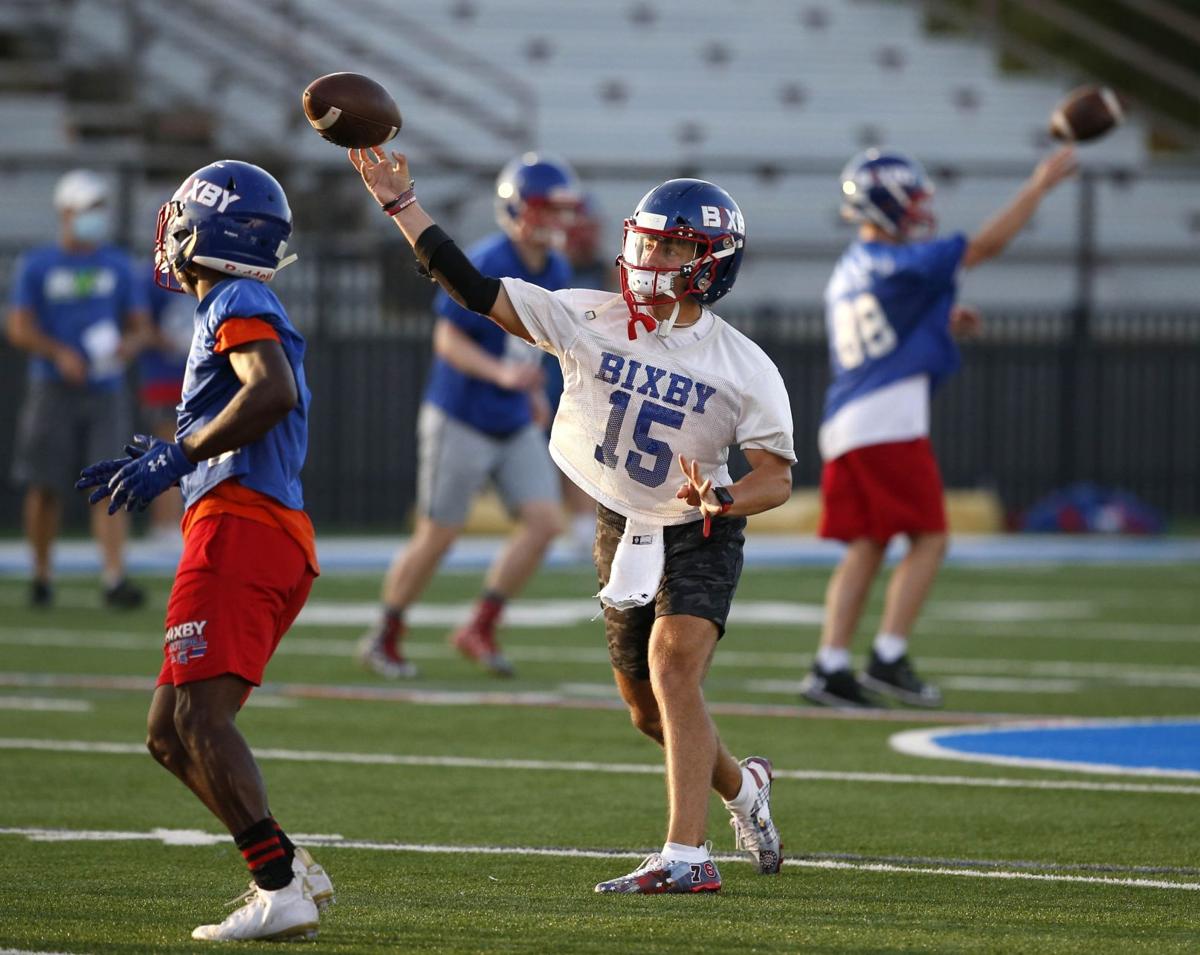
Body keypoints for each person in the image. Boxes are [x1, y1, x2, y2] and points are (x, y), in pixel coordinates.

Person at [350, 145, 795, 894]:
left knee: (673, 664)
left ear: (711, 260)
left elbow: (777, 478)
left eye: (673, 245)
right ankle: (744, 788)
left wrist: (723, 497)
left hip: (701, 526)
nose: (651, 256)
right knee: (649, 713)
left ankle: (687, 856)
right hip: (622, 524)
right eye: (648, 240)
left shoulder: (744, 364)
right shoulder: (589, 314)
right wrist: (403, 206)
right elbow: (473, 289)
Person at [77, 160, 333, 941]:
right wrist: (174, 455)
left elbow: (271, 389)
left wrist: (180, 453)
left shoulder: (236, 296)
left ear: (205, 228)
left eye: (181, 215)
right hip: (247, 524)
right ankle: (287, 862)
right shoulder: (233, 299)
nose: (169, 229)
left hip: (243, 524)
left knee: (198, 716)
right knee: (167, 730)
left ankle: (278, 884)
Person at [800, 145, 1078, 709]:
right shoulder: (902, 263)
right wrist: (1037, 187)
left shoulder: (852, 267)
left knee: (870, 545)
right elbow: (984, 246)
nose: (921, 212)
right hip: (887, 419)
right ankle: (888, 655)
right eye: (912, 202)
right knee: (931, 537)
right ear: (884, 205)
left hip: (849, 418)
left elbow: (886, 324)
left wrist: (938, 322)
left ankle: (830, 665)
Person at [356, 153, 580, 679]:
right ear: (519, 208)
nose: (558, 221)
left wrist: (532, 394)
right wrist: (502, 378)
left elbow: (533, 343)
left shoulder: (558, 267)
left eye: (562, 210)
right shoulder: (485, 257)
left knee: (546, 523)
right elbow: (448, 339)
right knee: (440, 532)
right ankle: (384, 632)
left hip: (510, 417)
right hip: (460, 414)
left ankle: (480, 624)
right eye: (548, 209)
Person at [6, 168, 151, 609]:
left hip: (104, 387)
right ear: (65, 213)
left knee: (110, 482)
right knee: (44, 483)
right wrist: (58, 353)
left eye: (98, 209)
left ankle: (113, 576)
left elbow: (140, 326)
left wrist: (127, 347)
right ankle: (41, 575)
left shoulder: (117, 265)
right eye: (87, 209)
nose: (94, 217)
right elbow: (18, 327)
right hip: (52, 387)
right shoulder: (38, 264)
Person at [138, 261, 193, 544]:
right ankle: (165, 524)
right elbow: (140, 324)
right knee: (167, 449)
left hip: (200, 377)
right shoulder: (154, 278)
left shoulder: (208, 267)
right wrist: (173, 341)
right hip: (165, 376)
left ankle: (189, 520)